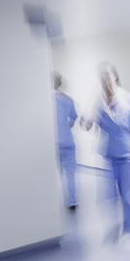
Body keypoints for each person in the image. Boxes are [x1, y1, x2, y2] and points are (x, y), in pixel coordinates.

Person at [82, 62, 130, 248]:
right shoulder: (99, 103)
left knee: (128, 198)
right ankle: (115, 227)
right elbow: (87, 125)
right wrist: (88, 115)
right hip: (109, 156)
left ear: (115, 78)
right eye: (102, 78)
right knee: (108, 196)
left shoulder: (128, 99)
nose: (105, 82)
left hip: (128, 156)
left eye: (108, 77)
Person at [53, 72, 79, 211]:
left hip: (53, 143)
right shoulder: (68, 99)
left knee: (56, 174)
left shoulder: (44, 100)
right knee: (70, 174)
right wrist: (65, 126)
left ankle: (55, 203)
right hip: (67, 141)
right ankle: (72, 202)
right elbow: (73, 118)